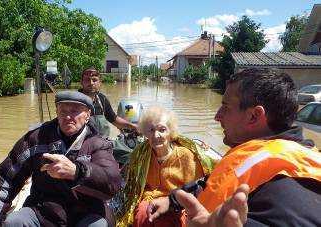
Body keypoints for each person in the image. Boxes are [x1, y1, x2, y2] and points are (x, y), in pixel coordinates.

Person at [148, 68, 321, 226]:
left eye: (225, 107)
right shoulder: (263, 155)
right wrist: (172, 200)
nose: (217, 116)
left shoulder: (288, 191)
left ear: (254, 116)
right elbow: (215, 183)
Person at [0, 91, 121, 227]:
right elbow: (7, 178)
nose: (68, 116)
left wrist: (77, 172)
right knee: (14, 222)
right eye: (63, 111)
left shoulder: (99, 144)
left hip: (85, 212)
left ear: (88, 115)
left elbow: (112, 183)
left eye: (75, 111)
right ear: (56, 111)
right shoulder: (35, 139)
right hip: (43, 211)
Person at [116, 106, 219, 227]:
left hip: (177, 204)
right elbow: (132, 185)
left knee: (164, 220)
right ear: (145, 133)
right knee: (142, 212)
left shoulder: (186, 155)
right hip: (148, 200)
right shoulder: (140, 153)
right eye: (151, 130)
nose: (156, 135)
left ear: (171, 132)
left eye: (162, 130)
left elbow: (198, 187)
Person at [79, 68, 138, 137]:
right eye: (87, 80)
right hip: (83, 144)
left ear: (100, 83)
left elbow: (114, 119)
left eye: (94, 80)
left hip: (103, 143)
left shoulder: (102, 99)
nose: (91, 83)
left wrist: (134, 127)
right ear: (81, 82)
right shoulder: (75, 101)